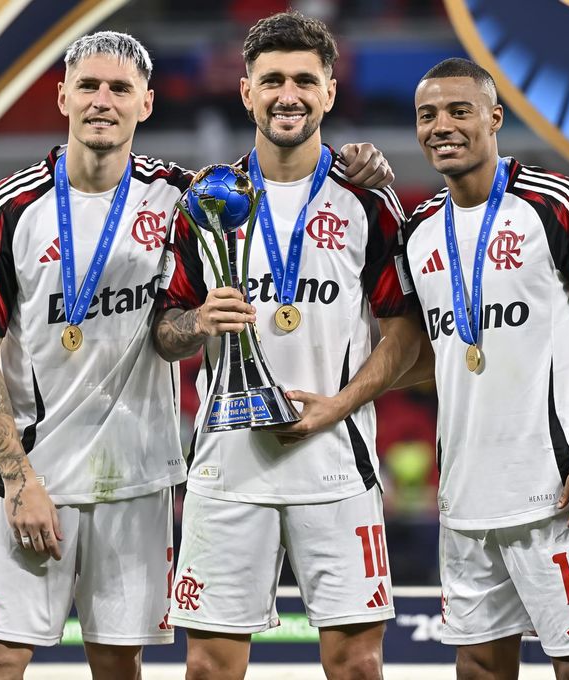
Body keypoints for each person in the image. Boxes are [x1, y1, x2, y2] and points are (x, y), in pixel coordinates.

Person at [0, 30, 393, 679]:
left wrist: (363, 156)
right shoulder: (10, 206)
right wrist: (16, 477)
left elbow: (276, 177)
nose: (103, 100)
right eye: (90, 86)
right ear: (62, 95)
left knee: (119, 664)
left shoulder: (188, 195)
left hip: (140, 480)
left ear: (146, 104)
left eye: (120, 88)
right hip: (34, 473)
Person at [153, 12, 424, 680]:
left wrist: (338, 405)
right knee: (210, 667)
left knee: (358, 664)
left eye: (305, 78)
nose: (288, 93)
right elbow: (163, 333)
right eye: (271, 79)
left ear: (330, 91)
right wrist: (197, 323)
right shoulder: (206, 200)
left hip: (337, 460)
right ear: (245, 91)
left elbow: (406, 337)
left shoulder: (368, 201)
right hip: (227, 462)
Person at [402, 58, 569, 679]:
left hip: (558, 493)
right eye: (428, 115)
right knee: (478, 665)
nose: (441, 126)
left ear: (494, 118)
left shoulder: (556, 203)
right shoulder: (420, 230)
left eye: (459, 110)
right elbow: (432, 353)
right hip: (466, 499)